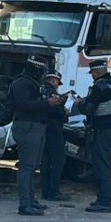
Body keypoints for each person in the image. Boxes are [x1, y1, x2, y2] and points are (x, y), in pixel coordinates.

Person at [9, 56, 64, 216]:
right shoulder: (22, 83)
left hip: (36, 126)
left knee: (32, 166)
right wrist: (47, 104)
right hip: (28, 126)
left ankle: (31, 200)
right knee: (27, 167)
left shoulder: (31, 82)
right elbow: (21, 104)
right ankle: (25, 204)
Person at [76, 59, 111, 214]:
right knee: (107, 165)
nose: (92, 77)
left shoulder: (99, 87)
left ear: (96, 72)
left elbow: (88, 109)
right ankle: (103, 199)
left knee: (101, 166)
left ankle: (103, 202)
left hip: (102, 131)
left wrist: (79, 103)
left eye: (92, 73)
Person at [40, 72, 71, 202]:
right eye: (58, 83)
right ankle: (54, 191)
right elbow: (57, 111)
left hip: (43, 129)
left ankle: (45, 191)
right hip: (54, 129)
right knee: (58, 160)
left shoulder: (40, 90)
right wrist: (65, 111)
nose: (58, 86)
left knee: (45, 161)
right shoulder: (52, 94)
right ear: (54, 81)